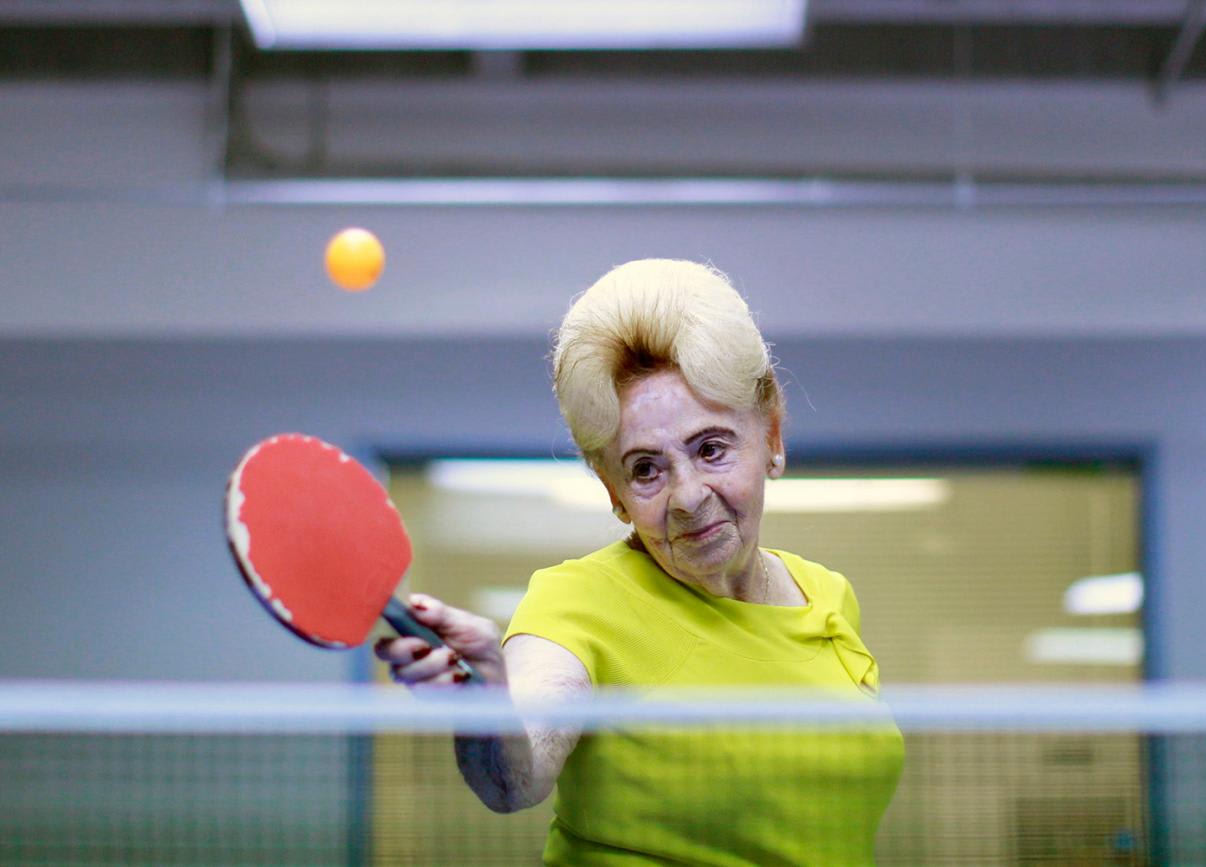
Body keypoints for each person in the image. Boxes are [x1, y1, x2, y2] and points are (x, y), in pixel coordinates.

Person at [375, 259, 904, 865]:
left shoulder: (828, 595)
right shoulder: (578, 601)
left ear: (772, 438)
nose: (688, 497)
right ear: (614, 492)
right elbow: (515, 780)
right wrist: (487, 704)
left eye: (711, 449)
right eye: (646, 468)